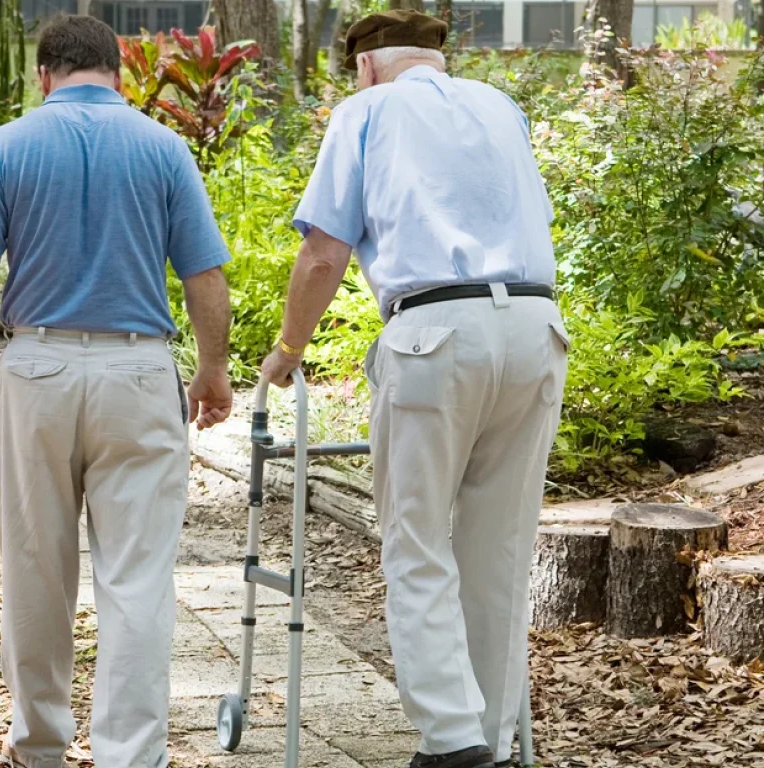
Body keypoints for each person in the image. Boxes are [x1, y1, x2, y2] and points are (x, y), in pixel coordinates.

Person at [260, 10, 568, 768]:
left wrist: (288, 348)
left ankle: (452, 740)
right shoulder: (500, 106)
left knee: (417, 540)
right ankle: (490, 741)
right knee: (498, 546)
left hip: (436, 333)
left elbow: (324, 253)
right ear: (436, 58)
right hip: (535, 327)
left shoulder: (365, 110)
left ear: (364, 67)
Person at [0, 15, 233, 768]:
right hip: (137, 372)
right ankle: (132, 755)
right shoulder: (164, 148)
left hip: (38, 369)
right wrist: (214, 369)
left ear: (44, 76)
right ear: (118, 73)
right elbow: (205, 275)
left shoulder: (9, 145)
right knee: (137, 575)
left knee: (35, 567)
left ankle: (38, 747)